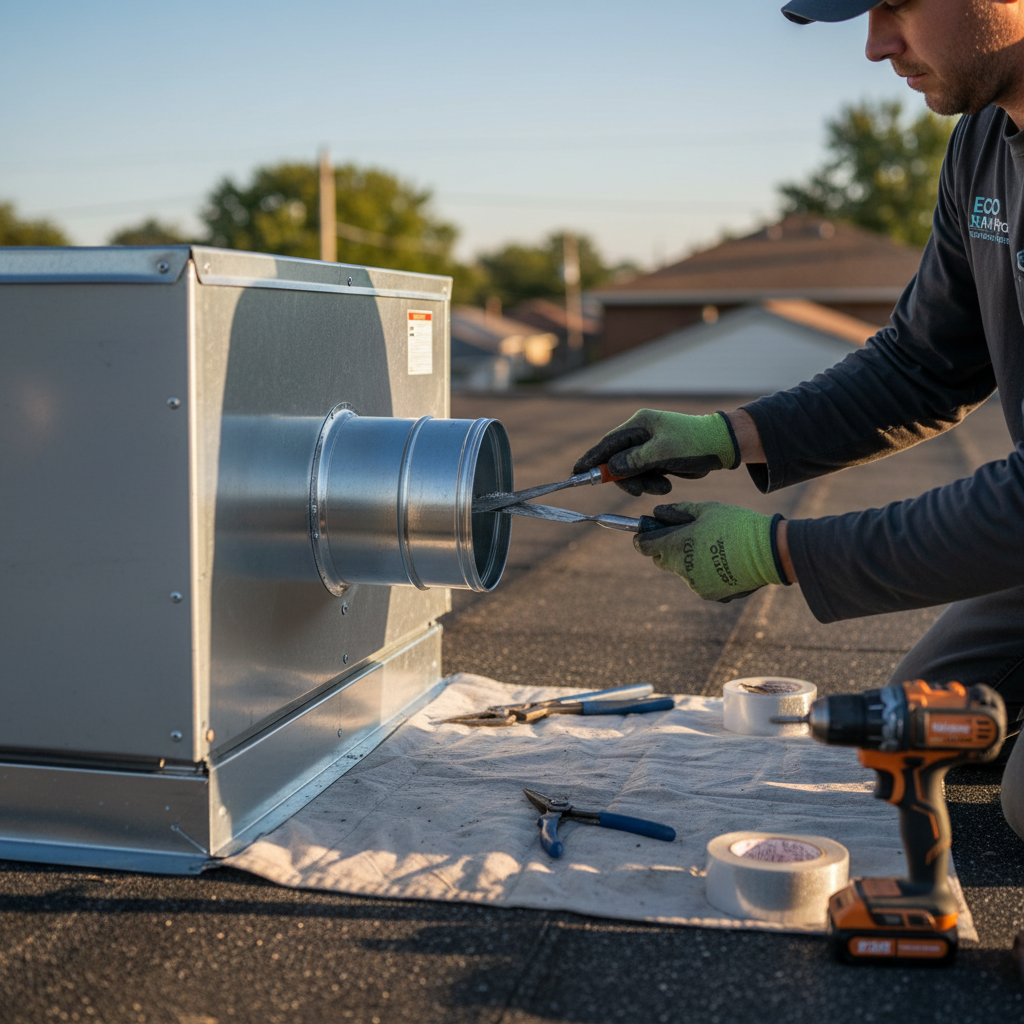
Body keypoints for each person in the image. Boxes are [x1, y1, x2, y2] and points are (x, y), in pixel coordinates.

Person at [573, 0, 1024, 838]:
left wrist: (777, 551)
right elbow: (922, 365)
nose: (875, 45)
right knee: (927, 715)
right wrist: (725, 436)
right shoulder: (984, 145)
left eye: (898, 4)